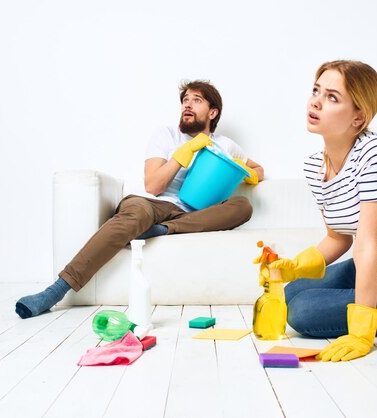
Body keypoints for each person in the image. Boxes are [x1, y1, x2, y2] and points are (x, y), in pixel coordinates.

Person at [16, 80, 264, 319]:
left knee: (242, 206)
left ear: (213, 112)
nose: (187, 105)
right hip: (147, 203)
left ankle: (160, 231)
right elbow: (153, 185)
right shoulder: (166, 135)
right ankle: (55, 291)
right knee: (135, 215)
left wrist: (248, 174)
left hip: (187, 213)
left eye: (196, 100)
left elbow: (258, 169)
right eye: (185, 100)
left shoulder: (225, 145)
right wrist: (183, 154)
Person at [263, 60, 377, 362]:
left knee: (301, 311)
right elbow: (337, 238)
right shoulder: (314, 166)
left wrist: (361, 332)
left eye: (332, 97)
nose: (316, 101)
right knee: (290, 292)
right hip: (372, 270)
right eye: (316, 90)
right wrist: (293, 266)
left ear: (358, 117)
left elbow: (367, 244)